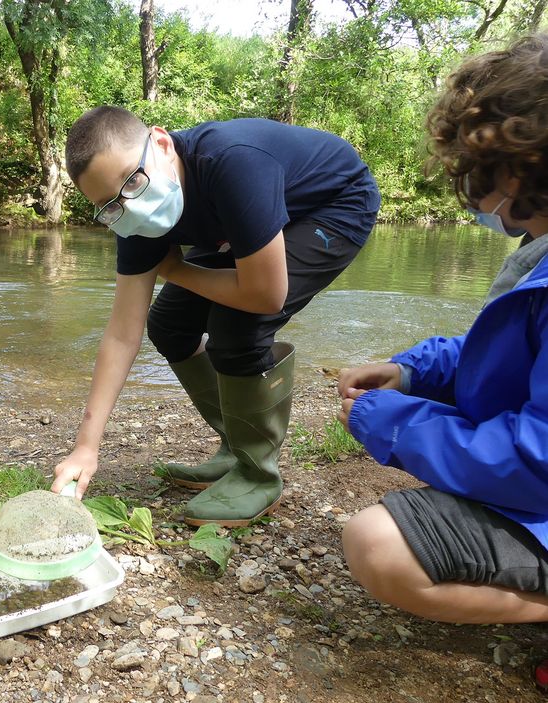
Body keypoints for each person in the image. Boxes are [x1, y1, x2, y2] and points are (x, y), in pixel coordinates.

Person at [52, 106, 380, 526]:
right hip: (246, 220)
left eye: (132, 180)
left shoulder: (231, 162)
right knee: (169, 323)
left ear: (163, 144)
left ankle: (258, 474)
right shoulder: (134, 217)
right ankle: (235, 446)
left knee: (237, 325)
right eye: (110, 205)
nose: (128, 204)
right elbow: (121, 334)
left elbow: (265, 295)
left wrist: (176, 270)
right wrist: (86, 447)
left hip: (332, 204)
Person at [339, 34, 548, 626]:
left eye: (484, 173)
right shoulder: (538, 248)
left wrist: (387, 420)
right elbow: (505, 356)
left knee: (378, 546)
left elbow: (538, 462)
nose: (477, 193)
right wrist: (410, 372)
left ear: (523, 166)